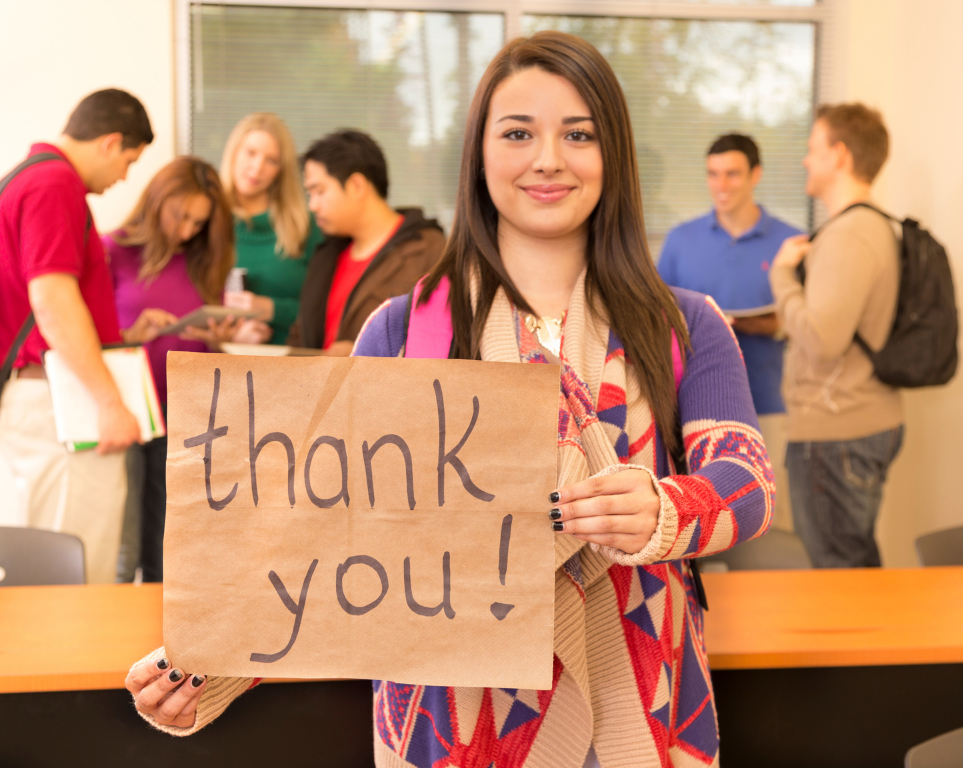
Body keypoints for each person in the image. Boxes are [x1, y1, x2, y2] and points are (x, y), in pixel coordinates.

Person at [125, 32, 774, 766]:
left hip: (644, 707)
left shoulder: (686, 322)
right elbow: (328, 537)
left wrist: (664, 510)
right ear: (479, 154)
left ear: (613, 155)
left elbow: (746, 483)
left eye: (579, 134)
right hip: (451, 724)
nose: (548, 158)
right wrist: (207, 661)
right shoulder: (404, 330)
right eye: (519, 133)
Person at [0, 89, 173, 585]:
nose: (124, 177)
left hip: (38, 397)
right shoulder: (54, 183)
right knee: (72, 575)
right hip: (65, 403)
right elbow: (52, 300)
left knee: (36, 571)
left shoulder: (21, 179)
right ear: (110, 142)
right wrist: (109, 402)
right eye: (130, 161)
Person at [769, 103, 902, 568]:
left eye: (812, 148)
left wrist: (783, 275)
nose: (805, 160)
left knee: (839, 576)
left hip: (836, 431)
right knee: (851, 566)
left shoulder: (850, 234)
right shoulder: (872, 227)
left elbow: (824, 340)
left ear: (839, 155)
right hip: (856, 421)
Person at [658, 134, 801, 531]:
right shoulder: (680, 241)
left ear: (756, 175)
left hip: (768, 402)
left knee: (769, 522)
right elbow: (652, 319)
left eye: (733, 174)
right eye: (713, 174)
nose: (721, 185)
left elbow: (805, 319)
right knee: (697, 518)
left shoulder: (790, 242)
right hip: (687, 410)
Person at [105, 156, 237, 583]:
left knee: (169, 555)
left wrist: (220, 338)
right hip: (128, 417)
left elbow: (210, 353)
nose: (186, 231)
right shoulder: (112, 251)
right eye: (181, 216)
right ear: (157, 198)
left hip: (184, 422)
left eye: (198, 223)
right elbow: (96, 340)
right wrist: (134, 332)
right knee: (120, 552)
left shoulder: (202, 261)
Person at [286, 130, 445, 355]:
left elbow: (442, 343)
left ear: (356, 186)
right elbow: (300, 339)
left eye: (319, 191)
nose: (312, 205)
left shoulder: (428, 251)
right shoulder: (326, 255)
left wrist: (363, 353)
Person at [220, 113, 322, 345]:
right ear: (234, 152)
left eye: (271, 160)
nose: (257, 167)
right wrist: (227, 336)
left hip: (294, 367)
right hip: (218, 369)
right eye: (251, 153)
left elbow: (328, 310)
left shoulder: (305, 226)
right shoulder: (207, 222)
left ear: (281, 171)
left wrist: (271, 309)